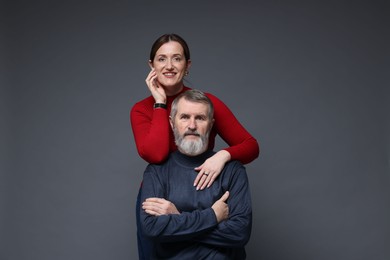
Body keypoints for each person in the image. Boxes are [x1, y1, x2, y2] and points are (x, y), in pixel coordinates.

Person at [130, 33, 259, 259]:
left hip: (205, 190)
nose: (169, 66)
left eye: (177, 58)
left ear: (187, 65)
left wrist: (223, 156)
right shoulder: (141, 110)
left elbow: (250, 146)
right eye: (161, 59)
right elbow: (157, 155)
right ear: (151, 65)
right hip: (162, 194)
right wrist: (160, 103)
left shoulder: (204, 104)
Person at [140, 89, 252, 259]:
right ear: (171, 123)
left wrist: (177, 218)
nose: (192, 126)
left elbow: (239, 233)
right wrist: (213, 216)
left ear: (211, 124)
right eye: (184, 117)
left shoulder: (232, 170)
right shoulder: (156, 171)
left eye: (200, 118)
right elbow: (152, 228)